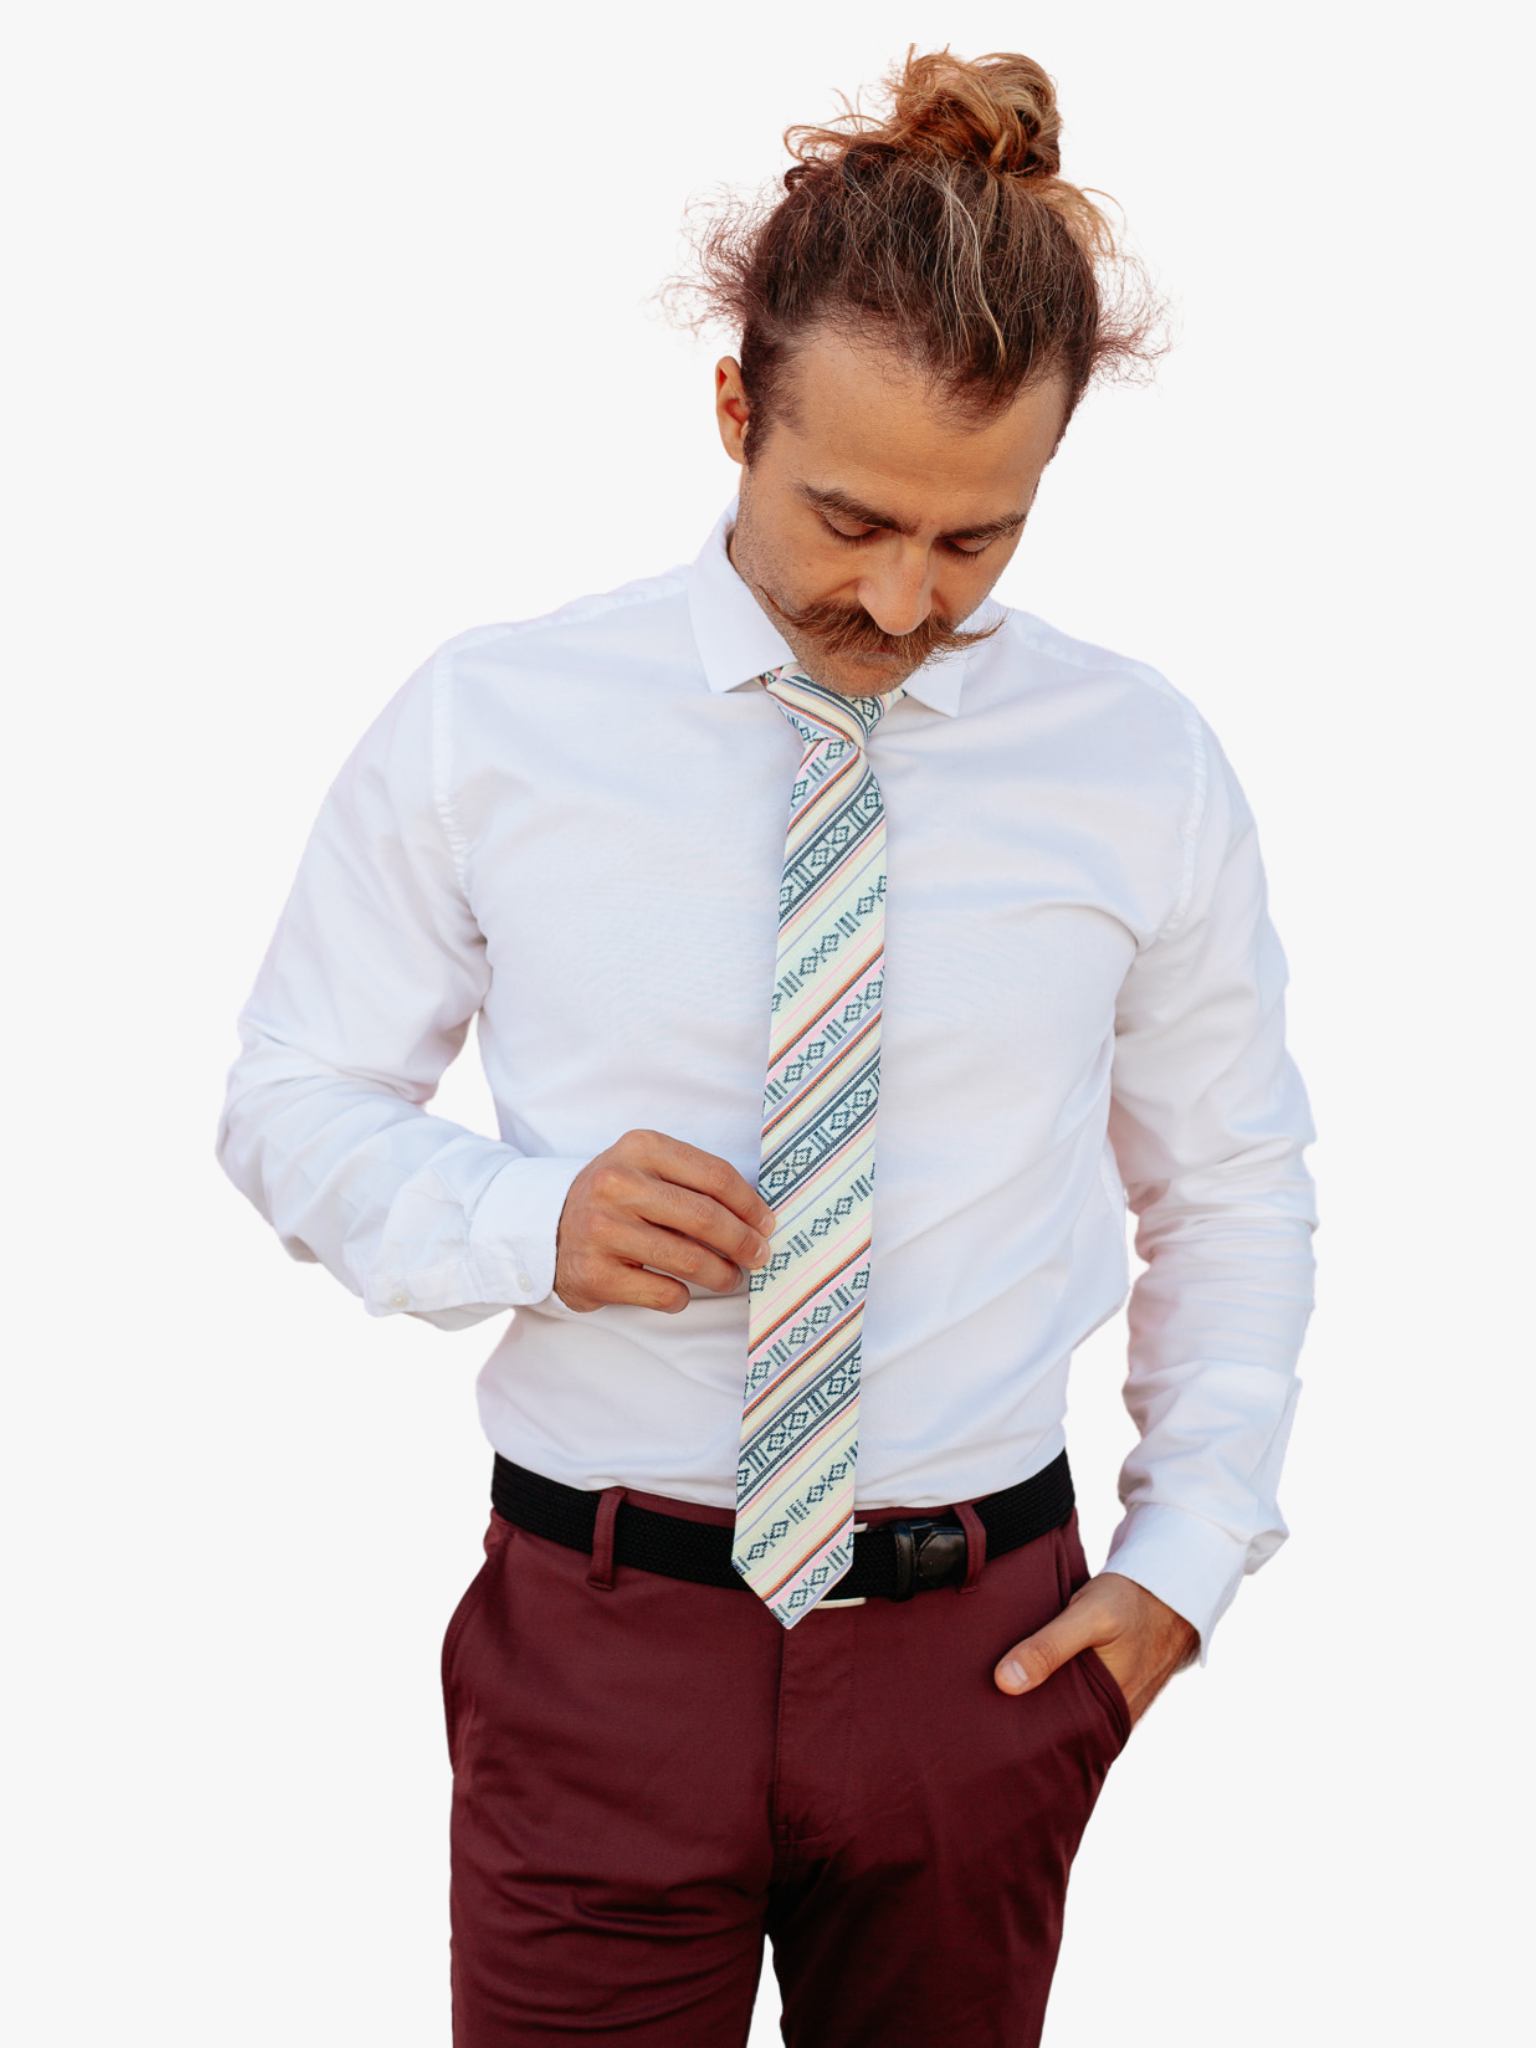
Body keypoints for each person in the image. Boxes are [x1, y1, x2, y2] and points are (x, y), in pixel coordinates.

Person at [218, 46, 1316, 2048]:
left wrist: (1189, 1558)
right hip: (602, 1651)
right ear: (735, 408)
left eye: (978, 541)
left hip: (983, 1662)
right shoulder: (495, 719)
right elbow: (290, 1100)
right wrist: (520, 1215)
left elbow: (1230, 1172)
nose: (902, 594)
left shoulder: (1140, 764)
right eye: (852, 515)